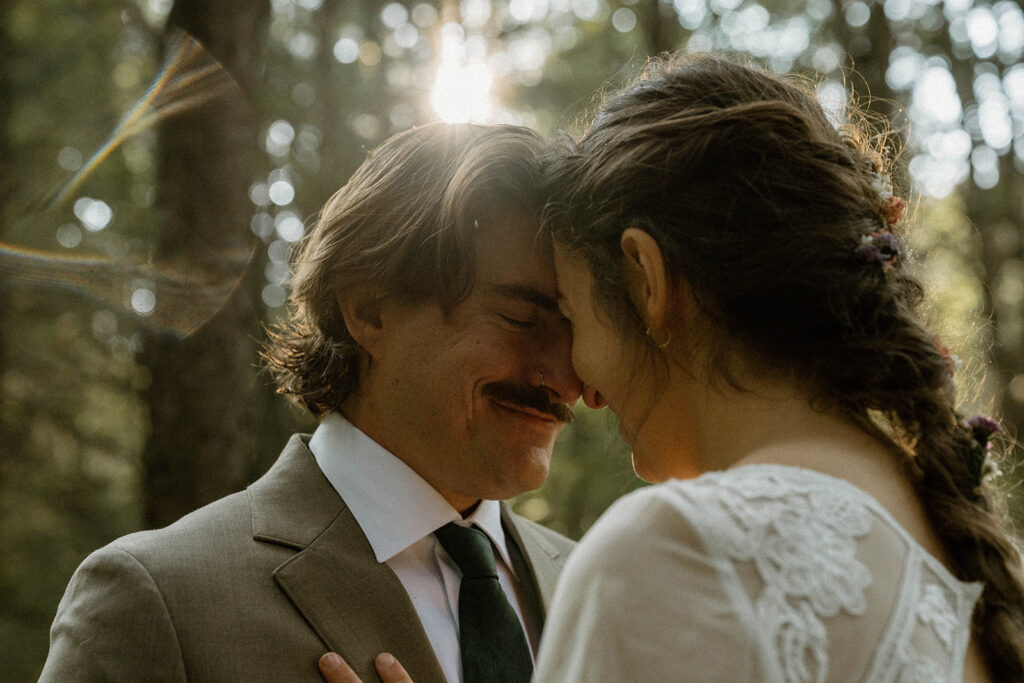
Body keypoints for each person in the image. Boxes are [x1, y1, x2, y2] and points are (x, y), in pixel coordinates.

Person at [320, 54, 1024, 683]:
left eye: (572, 313)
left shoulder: (677, 550)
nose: (583, 386)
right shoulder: (946, 535)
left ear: (646, 277)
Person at [41, 122, 602, 682]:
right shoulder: (156, 600)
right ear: (371, 309)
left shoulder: (602, 584)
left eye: (576, 327)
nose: (564, 376)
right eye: (520, 320)